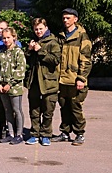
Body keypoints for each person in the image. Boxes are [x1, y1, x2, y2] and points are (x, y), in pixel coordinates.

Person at [52, 8, 92, 146]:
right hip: (62, 79)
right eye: (63, 18)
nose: (65, 20)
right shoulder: (61, 36)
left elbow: (86, 60)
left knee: (76, 108)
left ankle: (80, 134)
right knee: (64, 107)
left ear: (75, 19)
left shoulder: (82, 36)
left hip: (75, 80)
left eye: (68, 18)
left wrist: (81, 78)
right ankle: (65, 132)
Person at [24, 18, 61, 146]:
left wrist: (40, 50)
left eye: (40, 28)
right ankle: (34, 133)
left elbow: (55, 60)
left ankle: (46, 135)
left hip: (48, 82)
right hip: (34, 81)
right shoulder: (33, 41)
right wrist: (29, 50)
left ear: (45, 28)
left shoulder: (53, 42)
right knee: (34, 110)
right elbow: (27, 61)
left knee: (48, 110)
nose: (38, 31)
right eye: (36, 29)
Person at [0, 27, 26, 145]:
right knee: (7, 110)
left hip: (14, 87)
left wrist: (10, 84)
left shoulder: (18, 52)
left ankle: (19, 134)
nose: (6, 40)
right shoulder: (1, 52)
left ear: (14, 38)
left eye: (8, 37)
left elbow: (20, 71)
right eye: (4, 38)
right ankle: (10, 133)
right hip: (1, 87)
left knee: (16, 110)